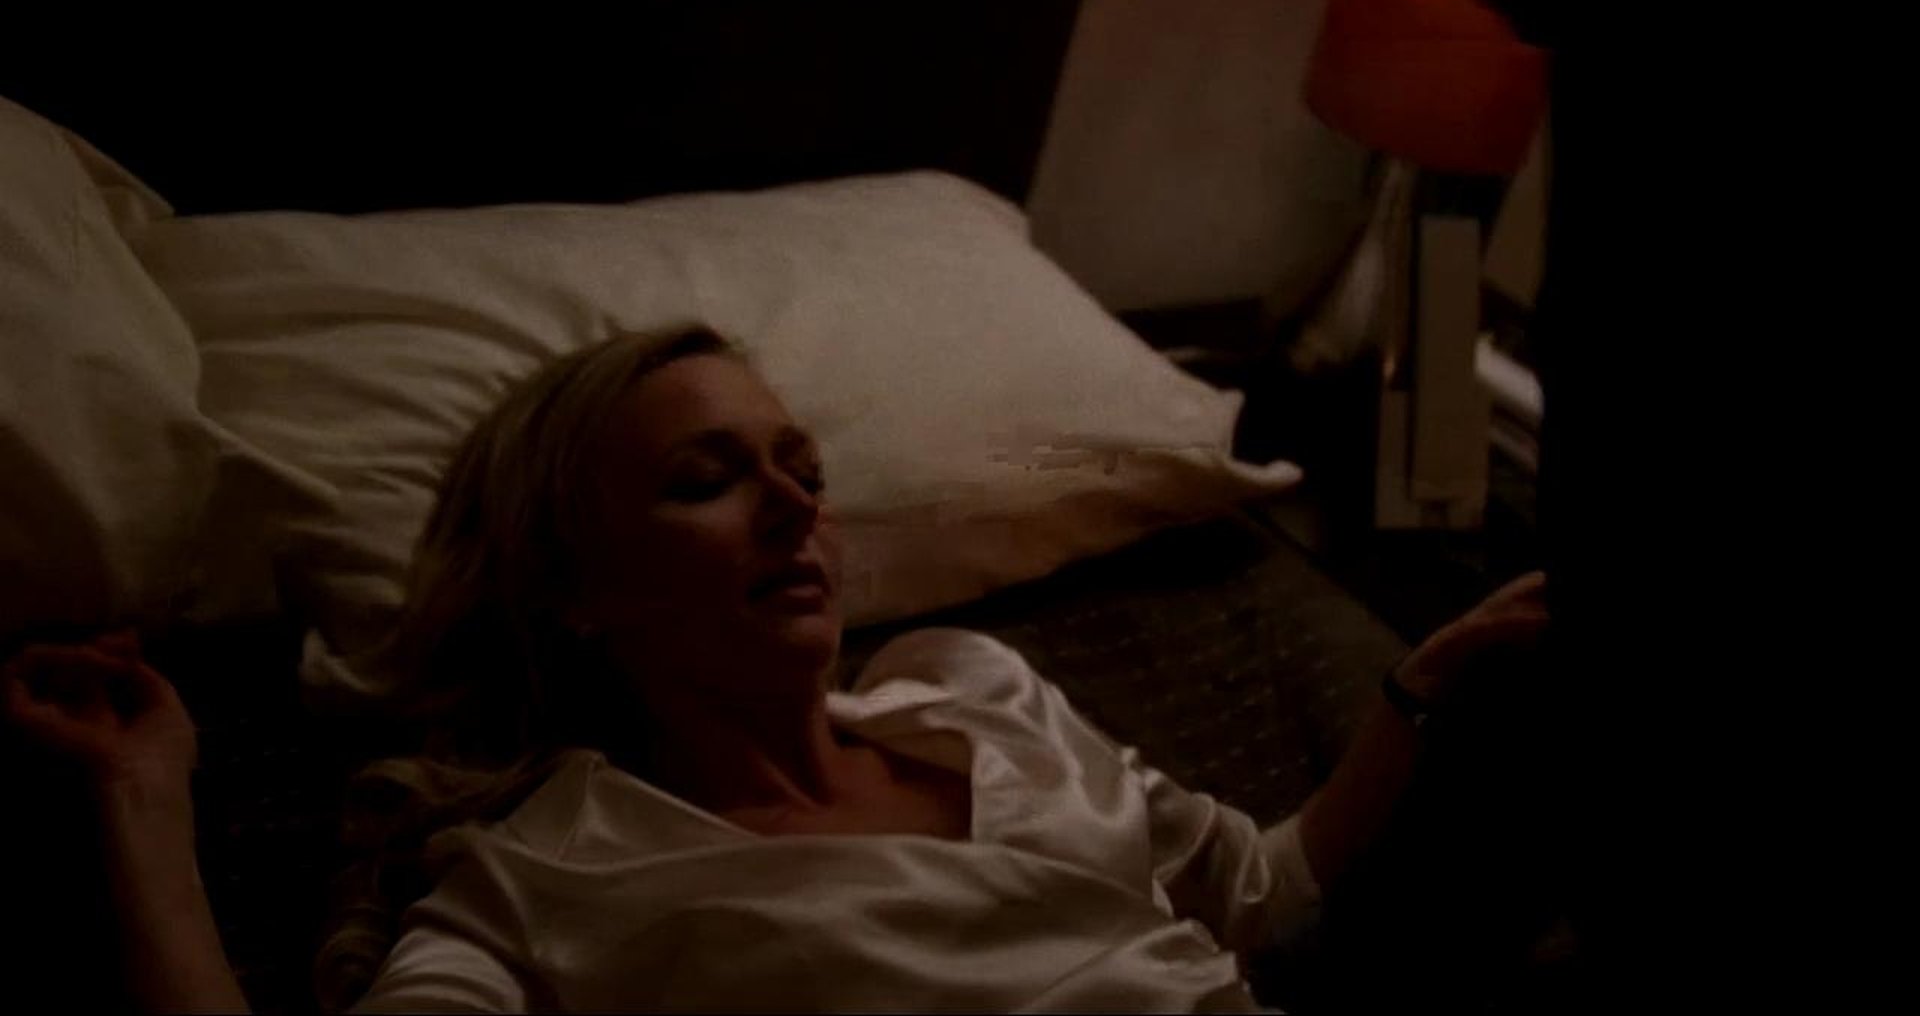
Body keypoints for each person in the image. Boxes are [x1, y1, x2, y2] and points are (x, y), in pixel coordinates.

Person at [2, 326, 1548, 1013]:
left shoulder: (979, 689)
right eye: (708, 479)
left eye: (801, 466)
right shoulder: (545, 880)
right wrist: (146, 802)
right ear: (574, 590)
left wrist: (1427, 681)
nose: (797, 504)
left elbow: (1262, 893)